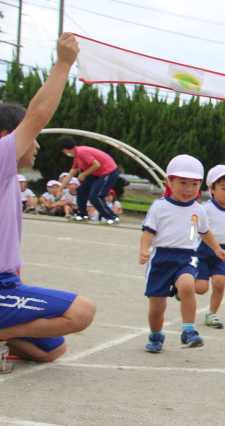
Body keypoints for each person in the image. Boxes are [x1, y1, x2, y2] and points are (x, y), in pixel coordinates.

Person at [0, 33, 95, 373]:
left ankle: (3, 336)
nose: (37, 144)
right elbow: (37, 115)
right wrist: (63, 63)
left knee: (52, 350)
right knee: (81, 311)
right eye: (32, 138)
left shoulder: (9, 177)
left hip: (8, 284)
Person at [139, 154, 225, 353]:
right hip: (161, 258)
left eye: (195, 183)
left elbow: (205, 232)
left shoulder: (199, 210)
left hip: (187, 257)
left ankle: (188, 331)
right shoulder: (159, 206)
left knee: (187, 285)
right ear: (169, 181)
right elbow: (148, 231)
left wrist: (217, 249)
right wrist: (144, 249)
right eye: (182, 182)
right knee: (157, 309)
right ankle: (156, 335)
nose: (189, 189)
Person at [194, 165, 225, 329]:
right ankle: (182, 285)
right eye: (224, 188)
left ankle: (212, 313)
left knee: (220, 283)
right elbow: (195, 229)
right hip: (202, 250)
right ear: (212, 189)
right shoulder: (205, 208)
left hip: (222, 252)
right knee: (200, 289)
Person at [56, 136, 120, 224]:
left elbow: (96, 165)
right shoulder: (77, 157)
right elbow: (70, 175)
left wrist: (83, 174)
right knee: (82, 190)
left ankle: (112, 217)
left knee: (95, 196)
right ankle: (82, 215)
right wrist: (60, 190)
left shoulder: (81, 152)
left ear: (64, 150)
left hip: (108, 172)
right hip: (97, 174)